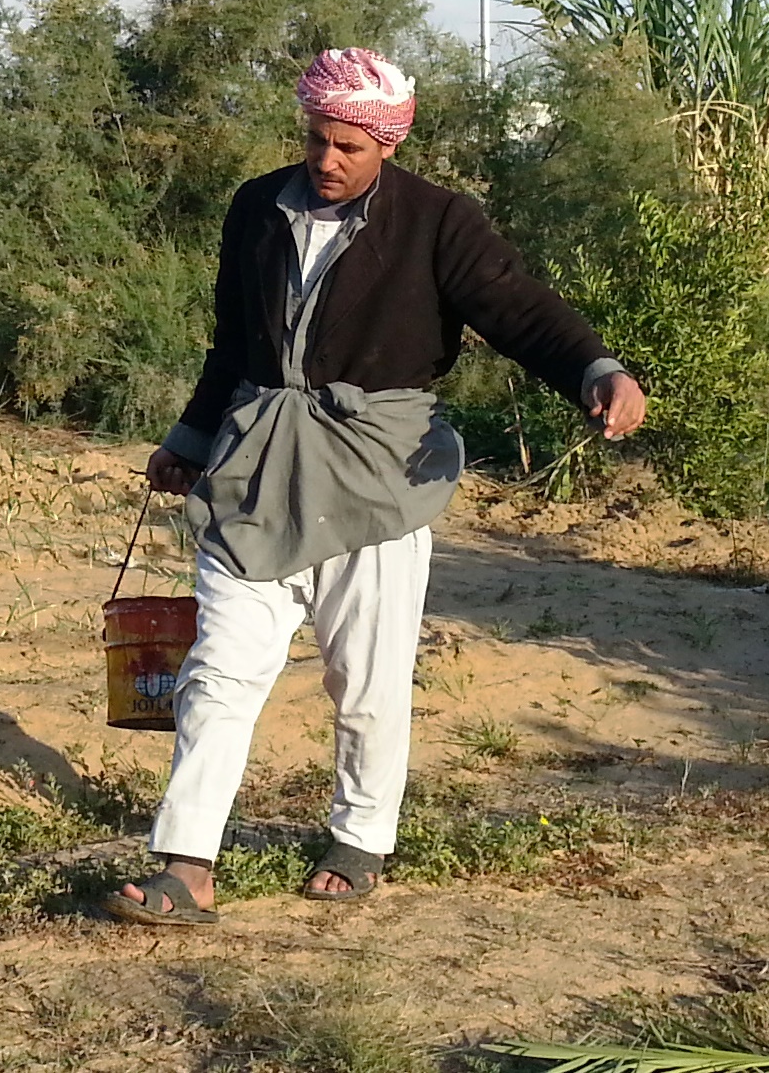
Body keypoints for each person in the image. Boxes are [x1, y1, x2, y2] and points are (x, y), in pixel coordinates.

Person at [103, 47, 646, 925]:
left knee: (363, 678)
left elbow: (516, 307)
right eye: (316, 140)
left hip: (375, 477)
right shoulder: (257, 206)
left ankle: (359, 837)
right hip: (257, 469)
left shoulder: (437, 221)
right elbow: (230, 342)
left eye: (347, 147)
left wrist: (595, 368)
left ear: (387, 145)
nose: (325, 160)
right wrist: (191, 437)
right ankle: (185, 865)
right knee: (216, 674)